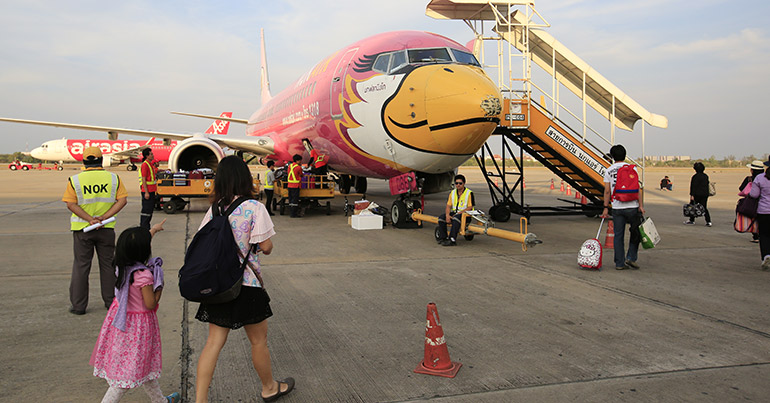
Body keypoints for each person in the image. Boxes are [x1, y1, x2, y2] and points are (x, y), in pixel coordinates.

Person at [194, 156, 294, 403]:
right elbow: (266, 246)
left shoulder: (214, 209)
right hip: (246, 284)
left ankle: (200, 400)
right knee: (258, 341)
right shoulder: (254, 207)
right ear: (244, 179)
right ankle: (269, 388)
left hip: (218, 285)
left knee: (213, 343)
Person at [90, 223, 179, 403]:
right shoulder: (143, 276)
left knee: (144, 365)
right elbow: (150, 303)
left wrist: (152, 231)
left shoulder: (121, 266)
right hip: (137, 329)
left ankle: (160, 400)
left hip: (120, 323)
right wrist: (159, 285)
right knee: (126, 375)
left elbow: (137, 246)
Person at [62, 146, 128, 315]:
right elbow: (122, 200)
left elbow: (70, 204)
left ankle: (78, 306)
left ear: (84, 161)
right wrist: (103, 217)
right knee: (108, 266)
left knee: (81, 266)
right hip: (106, 229)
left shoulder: (75, 180)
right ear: (101, 160)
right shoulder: (114, 178)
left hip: (82, 229)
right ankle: (111, 302)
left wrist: (89, 219)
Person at [601, 144, 645, 270]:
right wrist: (641, 205)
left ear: (613, 156)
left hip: (617, 207)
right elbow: (638, 189)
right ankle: (631, 257)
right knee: (635, 233)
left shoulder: (609, 170)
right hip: (632, 205)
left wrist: (605, 207)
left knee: (618, 235)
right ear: (624, 155)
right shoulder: (633, 169)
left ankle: (619, 263)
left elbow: (607, 191)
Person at [437, 174, 475, 246]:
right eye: (456, 183)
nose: (458, 185)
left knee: (455, 219)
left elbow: (470, 207)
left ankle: (452, 239)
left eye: (460, 183)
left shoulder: (469, 193)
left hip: (466, 215)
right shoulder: (453, 193)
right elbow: (448, 205)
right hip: (455, 213)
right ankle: (443, 238)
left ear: (464, 183)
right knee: (441, 218)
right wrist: (447, 215)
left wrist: (459, 213)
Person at [749, 158, 770, 271]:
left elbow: (754, 194)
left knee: (765, 236)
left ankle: (766, 256)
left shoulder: (760, 178)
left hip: (764, 211)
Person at [740, 160, 765, 243]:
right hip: (764, 203)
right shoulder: (766, 178)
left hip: (752, 203)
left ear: (752, 170)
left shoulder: (749, 179)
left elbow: (741, 188)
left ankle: (755, 235)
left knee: (753, 219)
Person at [686, 162, 712, 226]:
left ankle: (692, 220)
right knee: (704, 207)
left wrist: (692, 195)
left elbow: (693, 186)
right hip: (705, 194)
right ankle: (708, 221)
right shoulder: (705, 176)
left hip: (697, 194)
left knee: (692, 207)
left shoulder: (695, 177)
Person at [139, 148, 158, 230]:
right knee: (146, 210)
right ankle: (144, 227)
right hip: (148, 191)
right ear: (147, 156)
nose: (153, 155)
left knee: (150, 210)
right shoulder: (145, 165)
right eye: (151, 154)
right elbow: (144, 179)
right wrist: (146, 192)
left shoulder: (150, 164)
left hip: (152, 190)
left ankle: (146, 225)